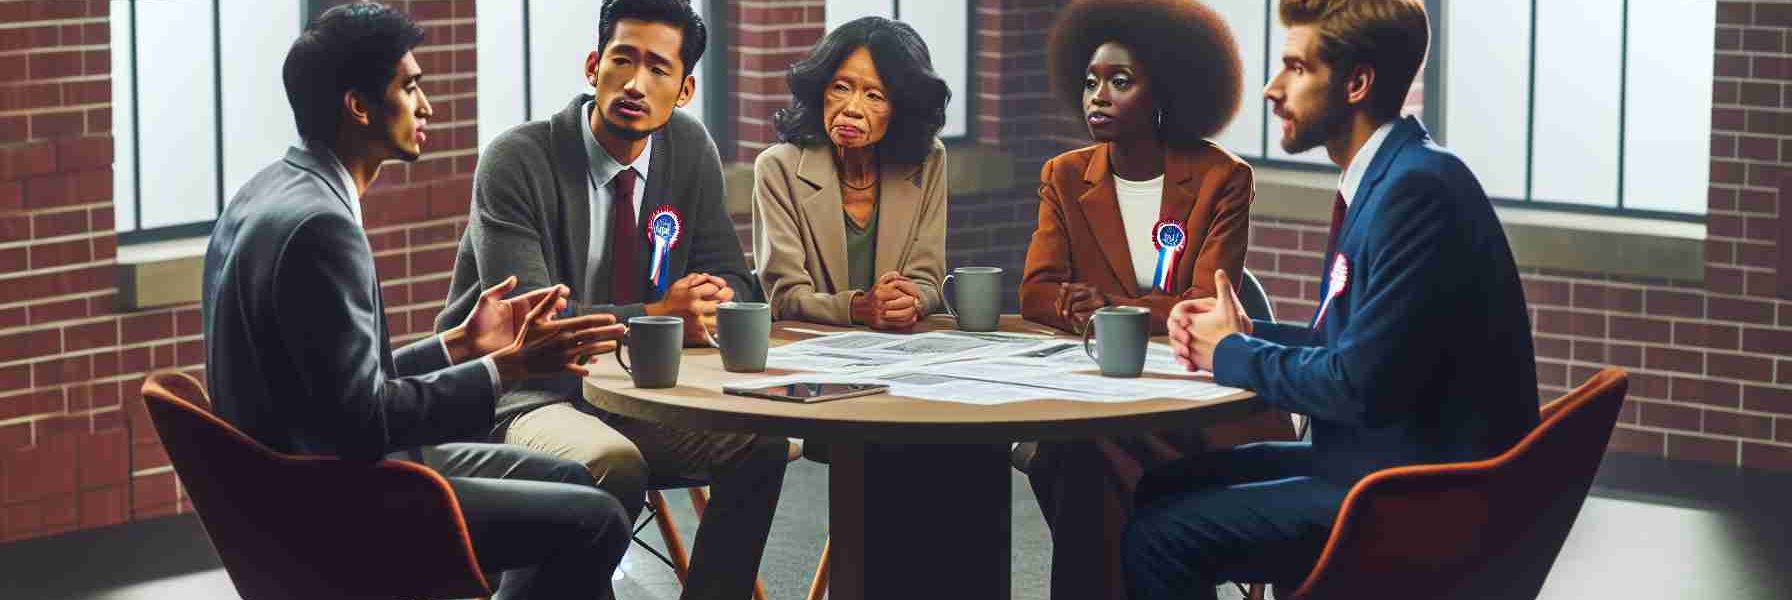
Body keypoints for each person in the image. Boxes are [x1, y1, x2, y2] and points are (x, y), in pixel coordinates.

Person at [202, 4, 631, 599]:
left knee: (575, 478)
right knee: (597, 520)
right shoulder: (323, 228)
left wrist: (460, 345)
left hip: (295, 482)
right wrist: (506, 369)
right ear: (358, 106)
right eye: (409, 87)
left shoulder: (267, 190)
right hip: (337, 503)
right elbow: (363, 424)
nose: (426, 106)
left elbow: (334, 388)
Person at [1123, 1, 1542, 598]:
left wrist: (1231, 353)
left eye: (1295, 68)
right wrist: (1247, 334)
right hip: (1381, 464)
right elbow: (1357, 346)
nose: (1272, 88)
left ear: (1356, 83)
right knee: (1160, 487)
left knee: (1159, 537)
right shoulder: (1391, 177)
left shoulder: (1414, 192)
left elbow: (1356, 384)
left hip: (1420, 498)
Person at [433, 1, 789, 597]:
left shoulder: (689, 149)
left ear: (684, 89)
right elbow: (534, 326)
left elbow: (733, 276)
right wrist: (655, 316)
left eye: (657, 68)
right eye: (622, 60)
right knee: (611, 462)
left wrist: (711, 297)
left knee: (761, 445)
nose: (634, 82)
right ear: (593, 65)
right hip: (525, 393)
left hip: (636, 393)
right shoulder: (517, 159)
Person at [1014, 2, 1292, 598]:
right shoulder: (1064, 175)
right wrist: (1070, 305)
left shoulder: (1223, 178)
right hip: (1103, 393)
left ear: (1164, 88)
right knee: (1085, 453)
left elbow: (1203, 304)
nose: (1099, 96)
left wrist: (1108, 305)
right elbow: (1036, 290)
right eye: (1090, 82)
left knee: (1079, 458)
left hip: (1198, 400)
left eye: (1120, 81)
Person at [753, 16, 950, 330]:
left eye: (874, 95)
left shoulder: (927, 160)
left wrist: (911, 301)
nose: (852, 108)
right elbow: (786, 298)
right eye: (841, 88)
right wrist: (859, 307)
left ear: (900, 109)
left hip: (897, 348)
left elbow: (927, 279)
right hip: (811, 353)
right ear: (821, 91)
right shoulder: (778, 168)